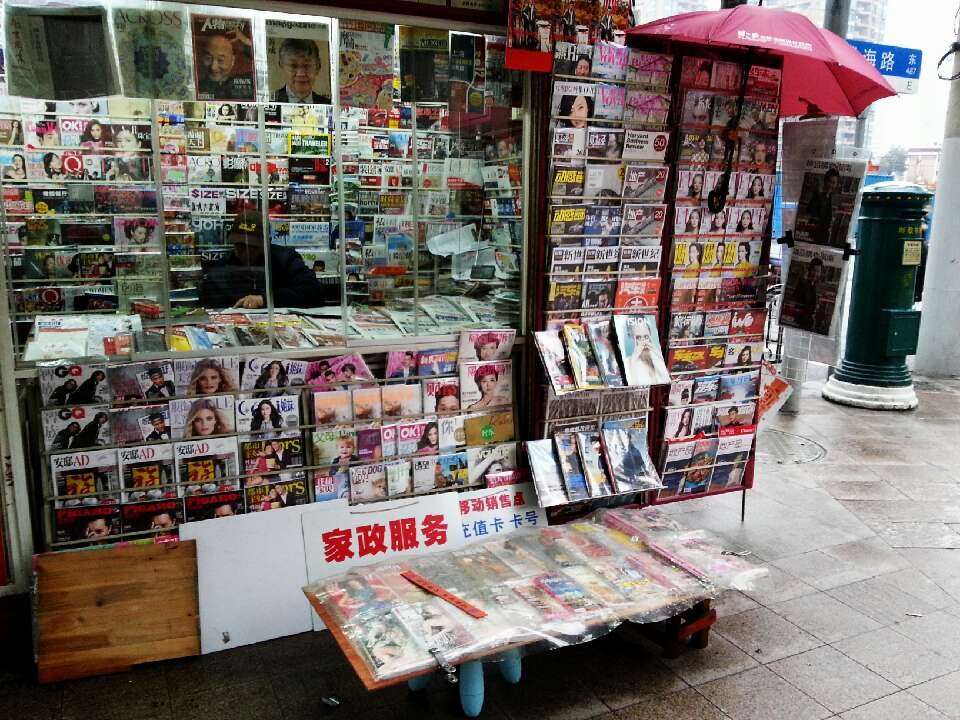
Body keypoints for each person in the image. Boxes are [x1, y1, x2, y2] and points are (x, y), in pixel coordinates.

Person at [199, 209, 333, 309]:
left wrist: (265, 299)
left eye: (253, 247)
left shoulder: (286, 259)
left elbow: (314, 292)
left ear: (266, 243)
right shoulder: (224, 266)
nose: (246, 252)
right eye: (240, 246)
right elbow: (209, 301)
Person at [197, 30, 253, 100]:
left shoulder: (243, 83)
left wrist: (247, 46)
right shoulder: (196, 87)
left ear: (232, 60)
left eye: (220, 60)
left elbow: (262, 70)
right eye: (208, 58)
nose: (213, 67)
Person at [272, 38, 330, 104]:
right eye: (293, 65)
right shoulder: (268, 103)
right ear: (282, 65)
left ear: (318, 66)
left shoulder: (328, 104)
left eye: (307, 65)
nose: (301, 73)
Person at [804, 167, 840, 245]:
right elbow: (810, 210)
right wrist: (819, 196)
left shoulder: (833, 198)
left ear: (836, 184)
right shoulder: (818, 194)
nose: (831, 185)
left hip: (825, 235)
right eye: (829, 181)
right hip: (814, 233)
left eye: (834, 183)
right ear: (825, 181)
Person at [789, 257, 822, 330]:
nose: (815, 274)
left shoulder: (815, 285)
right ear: (809, 270)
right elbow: (794, 300)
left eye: (818, 271)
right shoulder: (802, 283)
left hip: (809, 321)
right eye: (814, 270)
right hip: (801, 321)